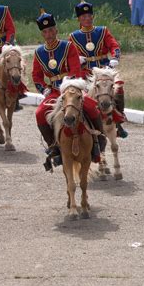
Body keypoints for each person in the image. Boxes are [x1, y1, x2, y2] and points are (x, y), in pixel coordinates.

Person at [32, 9, 105, 171]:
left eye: (51, 30)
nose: (49, 34)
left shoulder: (68, 47)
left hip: (72, 89)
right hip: (53, 92)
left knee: (92, 107)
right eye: (45, 31)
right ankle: (53, 146)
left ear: (56, 30)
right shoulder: (38, 53)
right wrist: (43, 89)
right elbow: (36, 76)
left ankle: (100, 143)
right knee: (39, 114)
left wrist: (69, 88)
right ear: (42, 34)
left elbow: (76, 70)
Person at [69, 0, 128, 138]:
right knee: (78, 94)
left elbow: (114, 46)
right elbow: (70, 55)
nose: (87, 19)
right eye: (84, 17)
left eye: (89, 16)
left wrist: (114, 58)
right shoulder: (73, 36)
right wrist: (77, 59)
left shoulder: (103, 31)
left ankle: (118, 120)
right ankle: (80, 123)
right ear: (79, 19)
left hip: (104, 69)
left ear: (92, 17)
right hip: (85, 72)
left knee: (119, 87)